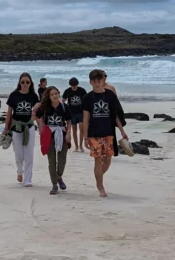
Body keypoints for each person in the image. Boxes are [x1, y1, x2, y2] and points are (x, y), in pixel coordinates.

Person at [82, 69, 128, 197]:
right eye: (94, 81)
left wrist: (122, 131)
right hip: (94, 133)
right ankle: (101, 186)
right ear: (90, 82)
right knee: (97, 160)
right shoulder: (87, 98)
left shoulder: (110, 95)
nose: (97, 83)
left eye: (99, 80)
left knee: (107, 161)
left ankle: (98, 179)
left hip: (108, 132)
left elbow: (115, 116)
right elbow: (85, 118)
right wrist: (85, 137)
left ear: (103, 80)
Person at [4, 72, 40, 187]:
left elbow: (37, 112)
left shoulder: (33, 96)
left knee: (29, 154)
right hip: (16, 127)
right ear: (19, 83)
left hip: (29, 127)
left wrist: (39, 125)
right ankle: (20, 171)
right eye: (23, 82)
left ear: (31, 83)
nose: (25, 84)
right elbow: (9, 112)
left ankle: (28, 179)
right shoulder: (14, 95)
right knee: (19, 153)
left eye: (27, 82)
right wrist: (6, 128)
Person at [36, 86, 71, 195]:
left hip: (62, 135)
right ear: (49, 97)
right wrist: (41, 128)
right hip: (49, 136)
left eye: (56, 93)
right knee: (51, 161)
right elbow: (37, 116)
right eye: (52, 94)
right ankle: (54, 184)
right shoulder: (45, 108)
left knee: (62, 160)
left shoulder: (64, 107)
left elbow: (69, 121)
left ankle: (59, 177)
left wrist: (69, 133)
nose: (55, 96)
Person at [63, 77, 87, 150]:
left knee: (81, 127)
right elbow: (63, 101)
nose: (73, 87)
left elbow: (86, 100)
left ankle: (81, 146)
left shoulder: (82, 90)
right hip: (71, 113)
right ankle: (76, 146)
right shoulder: (67, 91)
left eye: (75, 85)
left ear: (77, 84)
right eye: (72, 86)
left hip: (80, 112)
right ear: (70, 85)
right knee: (74, 129)